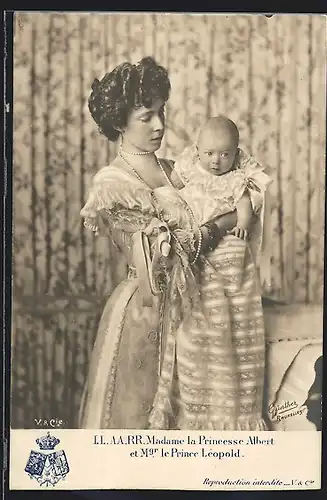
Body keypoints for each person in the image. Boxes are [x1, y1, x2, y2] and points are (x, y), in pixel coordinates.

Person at [79, 56, 269, 430]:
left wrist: (221, 222)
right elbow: (163, 254)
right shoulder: (113, 182)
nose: (160, 125)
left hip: (201, 306)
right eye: (146, 116)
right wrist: (218, 226)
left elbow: (236, 203)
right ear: (120, 121)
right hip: (151, 307)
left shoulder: (175, 168)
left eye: (161, 111)